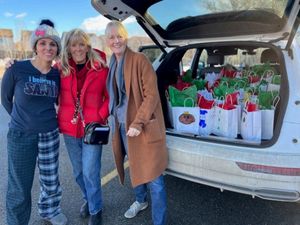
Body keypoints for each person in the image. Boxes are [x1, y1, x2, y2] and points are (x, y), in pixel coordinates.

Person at [1, 20, 67, 225]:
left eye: (52, 44)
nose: (48, 48)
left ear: (57, 48)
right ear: (35, 46)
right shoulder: (17, 69)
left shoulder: (58, 74)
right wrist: (22, 119)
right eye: (43, 43)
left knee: (50, 181)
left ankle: (50, 211)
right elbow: (5, 98)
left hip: (49, 134)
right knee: (19, 186)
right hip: (21, 135)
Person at [105, 20, 168, 225]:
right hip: (122, 126)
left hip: (142, 127)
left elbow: (151, 95)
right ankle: (140, 201)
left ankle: (159, 221)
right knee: (135, 167)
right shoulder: (112, 64)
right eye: (112, 37)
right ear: (107, 41)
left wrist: (138, 123)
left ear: (126, 37)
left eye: (119, 36)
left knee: (155, 177)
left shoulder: (140, 60)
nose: (116, 40)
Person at [56, 28, 109, 225]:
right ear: (68, 47)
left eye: (82, 44)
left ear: (87, 45)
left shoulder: (101, 66)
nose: (78, 48)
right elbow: (39, 70)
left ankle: (96, 209)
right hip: (70, 129)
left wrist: (100, 116)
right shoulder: (60, 68)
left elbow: (110, 96)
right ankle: (89, 199)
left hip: (93, 128)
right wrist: (14, 65)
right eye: (74, 44)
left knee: (90, 171)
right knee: (78, 172)